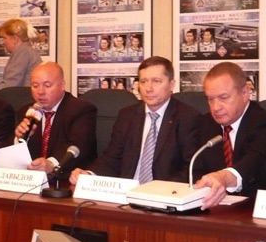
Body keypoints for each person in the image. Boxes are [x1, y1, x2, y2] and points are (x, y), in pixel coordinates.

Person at [70, 56, 200, 184]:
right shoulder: (127, 115)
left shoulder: (187, 117)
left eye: (156, 81)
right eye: (144, 81)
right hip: (127, 190)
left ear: (171, 84)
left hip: (165, 193)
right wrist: (89, 174)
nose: (148, 88)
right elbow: (113, 158)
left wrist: (158, 189)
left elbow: (192, 168)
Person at [193, 62, 266, 209]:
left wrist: (224, 178)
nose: (215, 107)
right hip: (220, 209)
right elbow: (197, 169)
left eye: (223, 97)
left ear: (245, 93)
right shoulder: (205, 124)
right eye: (210, 99)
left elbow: (256, 161)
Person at [14, 62, 97, 178]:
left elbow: (77, 145)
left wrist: (51, 164)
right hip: (32, 179)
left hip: (67, 179)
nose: (40, 92)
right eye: (35, 86)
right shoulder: (26, 112)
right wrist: (19, 139)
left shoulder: (81, 110)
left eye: (47, 85)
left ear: (62, 85)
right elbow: (18, 157)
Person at [0, 18, 42, 93]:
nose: (3, 42)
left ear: (14, 39)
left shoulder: (23, 52)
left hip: (23, 98)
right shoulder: (26, 50)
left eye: (4, 38)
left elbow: (11, 84)